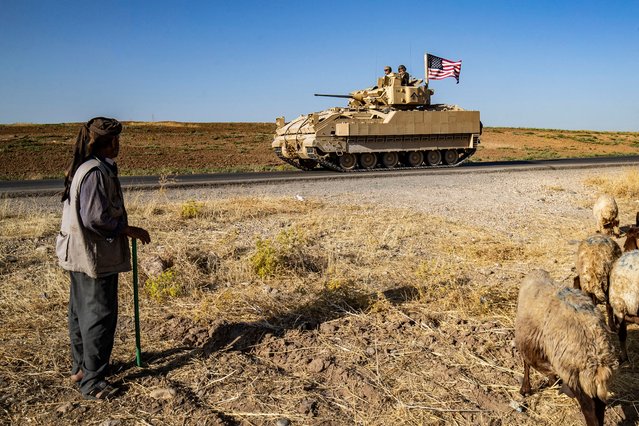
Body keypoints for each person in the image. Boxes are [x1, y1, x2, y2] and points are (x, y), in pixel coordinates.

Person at [56, 117, 151, 400]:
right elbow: (96, 218)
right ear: (108, 143)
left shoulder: (83, 167)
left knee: (81, 312)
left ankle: (83, 369)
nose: (119, 145)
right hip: (93, 256)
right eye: (116, 141)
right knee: (99, 316)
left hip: (77, 254)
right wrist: (128, 229)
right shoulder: (96, 172)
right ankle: (93, 382)